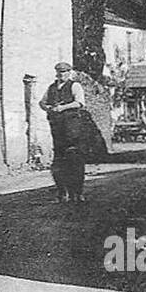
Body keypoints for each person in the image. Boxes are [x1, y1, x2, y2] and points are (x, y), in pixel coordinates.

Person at [39, 62, 87, 204]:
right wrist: (47, 107)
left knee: (74, 159)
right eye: (59, 72)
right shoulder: (52, 87)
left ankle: (77, 193)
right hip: (57, 128)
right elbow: (42, 102)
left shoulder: (75, 86)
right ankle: (62, 192)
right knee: (59, 161)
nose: (62, 74)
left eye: (65, 72)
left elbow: (80, 103)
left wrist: (63, 108)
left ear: (69, 73)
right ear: (56, 73)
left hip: (72, 128)